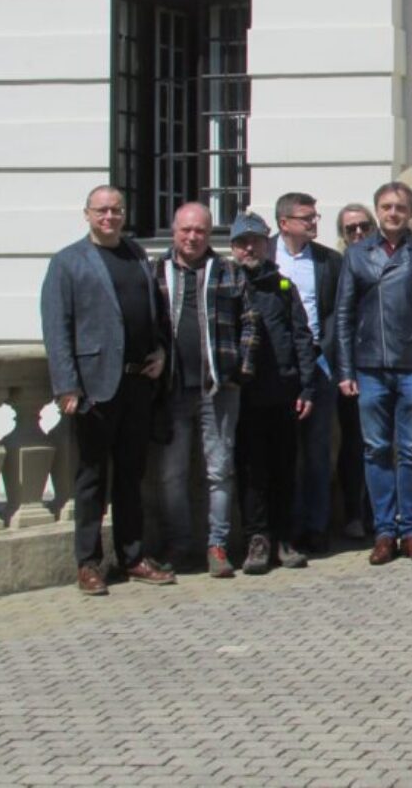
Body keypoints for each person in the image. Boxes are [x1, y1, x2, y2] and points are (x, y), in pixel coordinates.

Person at [40, 186, 175, 595]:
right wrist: (66, 386)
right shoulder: (68, 262)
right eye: (102, 210)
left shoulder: (136, 255)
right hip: (94, 389)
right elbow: (57, 329)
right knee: (91, 480)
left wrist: (161, 354)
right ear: (87, 215)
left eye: (116, 210)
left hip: (137, 384)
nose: (110, 217)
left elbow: (156, 315)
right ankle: (89, 563)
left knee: (131, 476)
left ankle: (132, 556)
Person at [337, 181, 412, 567]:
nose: (392, 213)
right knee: (375, 449)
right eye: (386, 207)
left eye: (400, 207)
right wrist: (345, 368)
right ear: (377, 210)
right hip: (369, 365)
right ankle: (385, 531)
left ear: (410, 211)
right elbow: (344, 315)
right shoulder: (356, 255)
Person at [151, 203, 259, 579]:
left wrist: (240, 371)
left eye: (200, 231)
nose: (193, 237)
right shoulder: (156, 272)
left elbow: (250, 323)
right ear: (174, 231)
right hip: (172, 390)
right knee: (171, 474)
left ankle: (218, 545)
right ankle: (181, 544)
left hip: (220, 388)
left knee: (220, 470)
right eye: (186, 230)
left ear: (209, 233)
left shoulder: (228, 271)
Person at [230, 213, 317, 574]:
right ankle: (257, 538)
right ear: (233, 247)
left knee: (284, 470)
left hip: (283, 393)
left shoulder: (281, 286)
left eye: (256, 241)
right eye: (242, 242)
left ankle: (283, 537)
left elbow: (301, 337)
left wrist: (307, 386)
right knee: (251, 472)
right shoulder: (226, 283)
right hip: (243, 395)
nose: (249, 248)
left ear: (267, 244)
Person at [271, 191, 343, 554]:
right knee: (281, 451)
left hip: (319, 363)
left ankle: (316, 526)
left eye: (315, 216)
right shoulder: (265, 256)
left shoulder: (329, 261)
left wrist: (327, 350)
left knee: (317, 450)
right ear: (284, 223)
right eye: (306, 217)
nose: (314, 222)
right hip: (277, 367)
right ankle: (284, 528)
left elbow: (336, 312)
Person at [334, 204, 376, 539]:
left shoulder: (383, 261)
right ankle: (353, 513)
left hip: (381, 364)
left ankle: (379, 514)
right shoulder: (337, 265)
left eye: (364, 227)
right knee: (352, 445)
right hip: (346, 368)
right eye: (351, 229)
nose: (359, 234)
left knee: (383, 444)